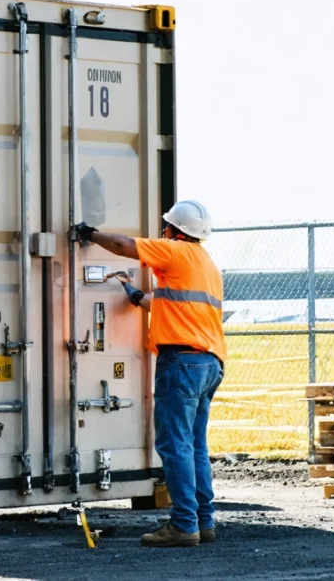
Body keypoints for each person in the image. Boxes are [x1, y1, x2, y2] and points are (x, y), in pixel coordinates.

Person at [75, 199, 226, 548]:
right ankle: (203, 522)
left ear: (177, 231)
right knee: (195, 447)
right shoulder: (207, 264)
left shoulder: (175, 250)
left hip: (182, 363)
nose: (162, 232)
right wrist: (138, 296)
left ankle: (183, 525)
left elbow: (125, 246)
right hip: (209, 363)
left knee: (174, 446)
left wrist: (90, 234)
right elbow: (176, 305)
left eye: (166, 227)